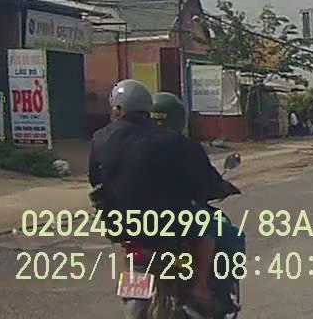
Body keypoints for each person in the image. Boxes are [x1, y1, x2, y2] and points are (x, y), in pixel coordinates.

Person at [87, 80, 223, 314]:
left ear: (118, 108)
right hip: (168, 226)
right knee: (207, 232)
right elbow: (204, 181)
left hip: (124, 229)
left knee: (132, 259)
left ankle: (134, 291)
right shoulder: (173, 141)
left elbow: (94, 179)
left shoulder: (99, 138)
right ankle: (200, 288)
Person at [149, 92, 240, 313]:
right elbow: (208, 182)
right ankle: (201, 288)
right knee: (229, 236)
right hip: (176, 217)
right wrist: (222, 188)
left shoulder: (131, 143)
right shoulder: (185, 147)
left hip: (133, 219)